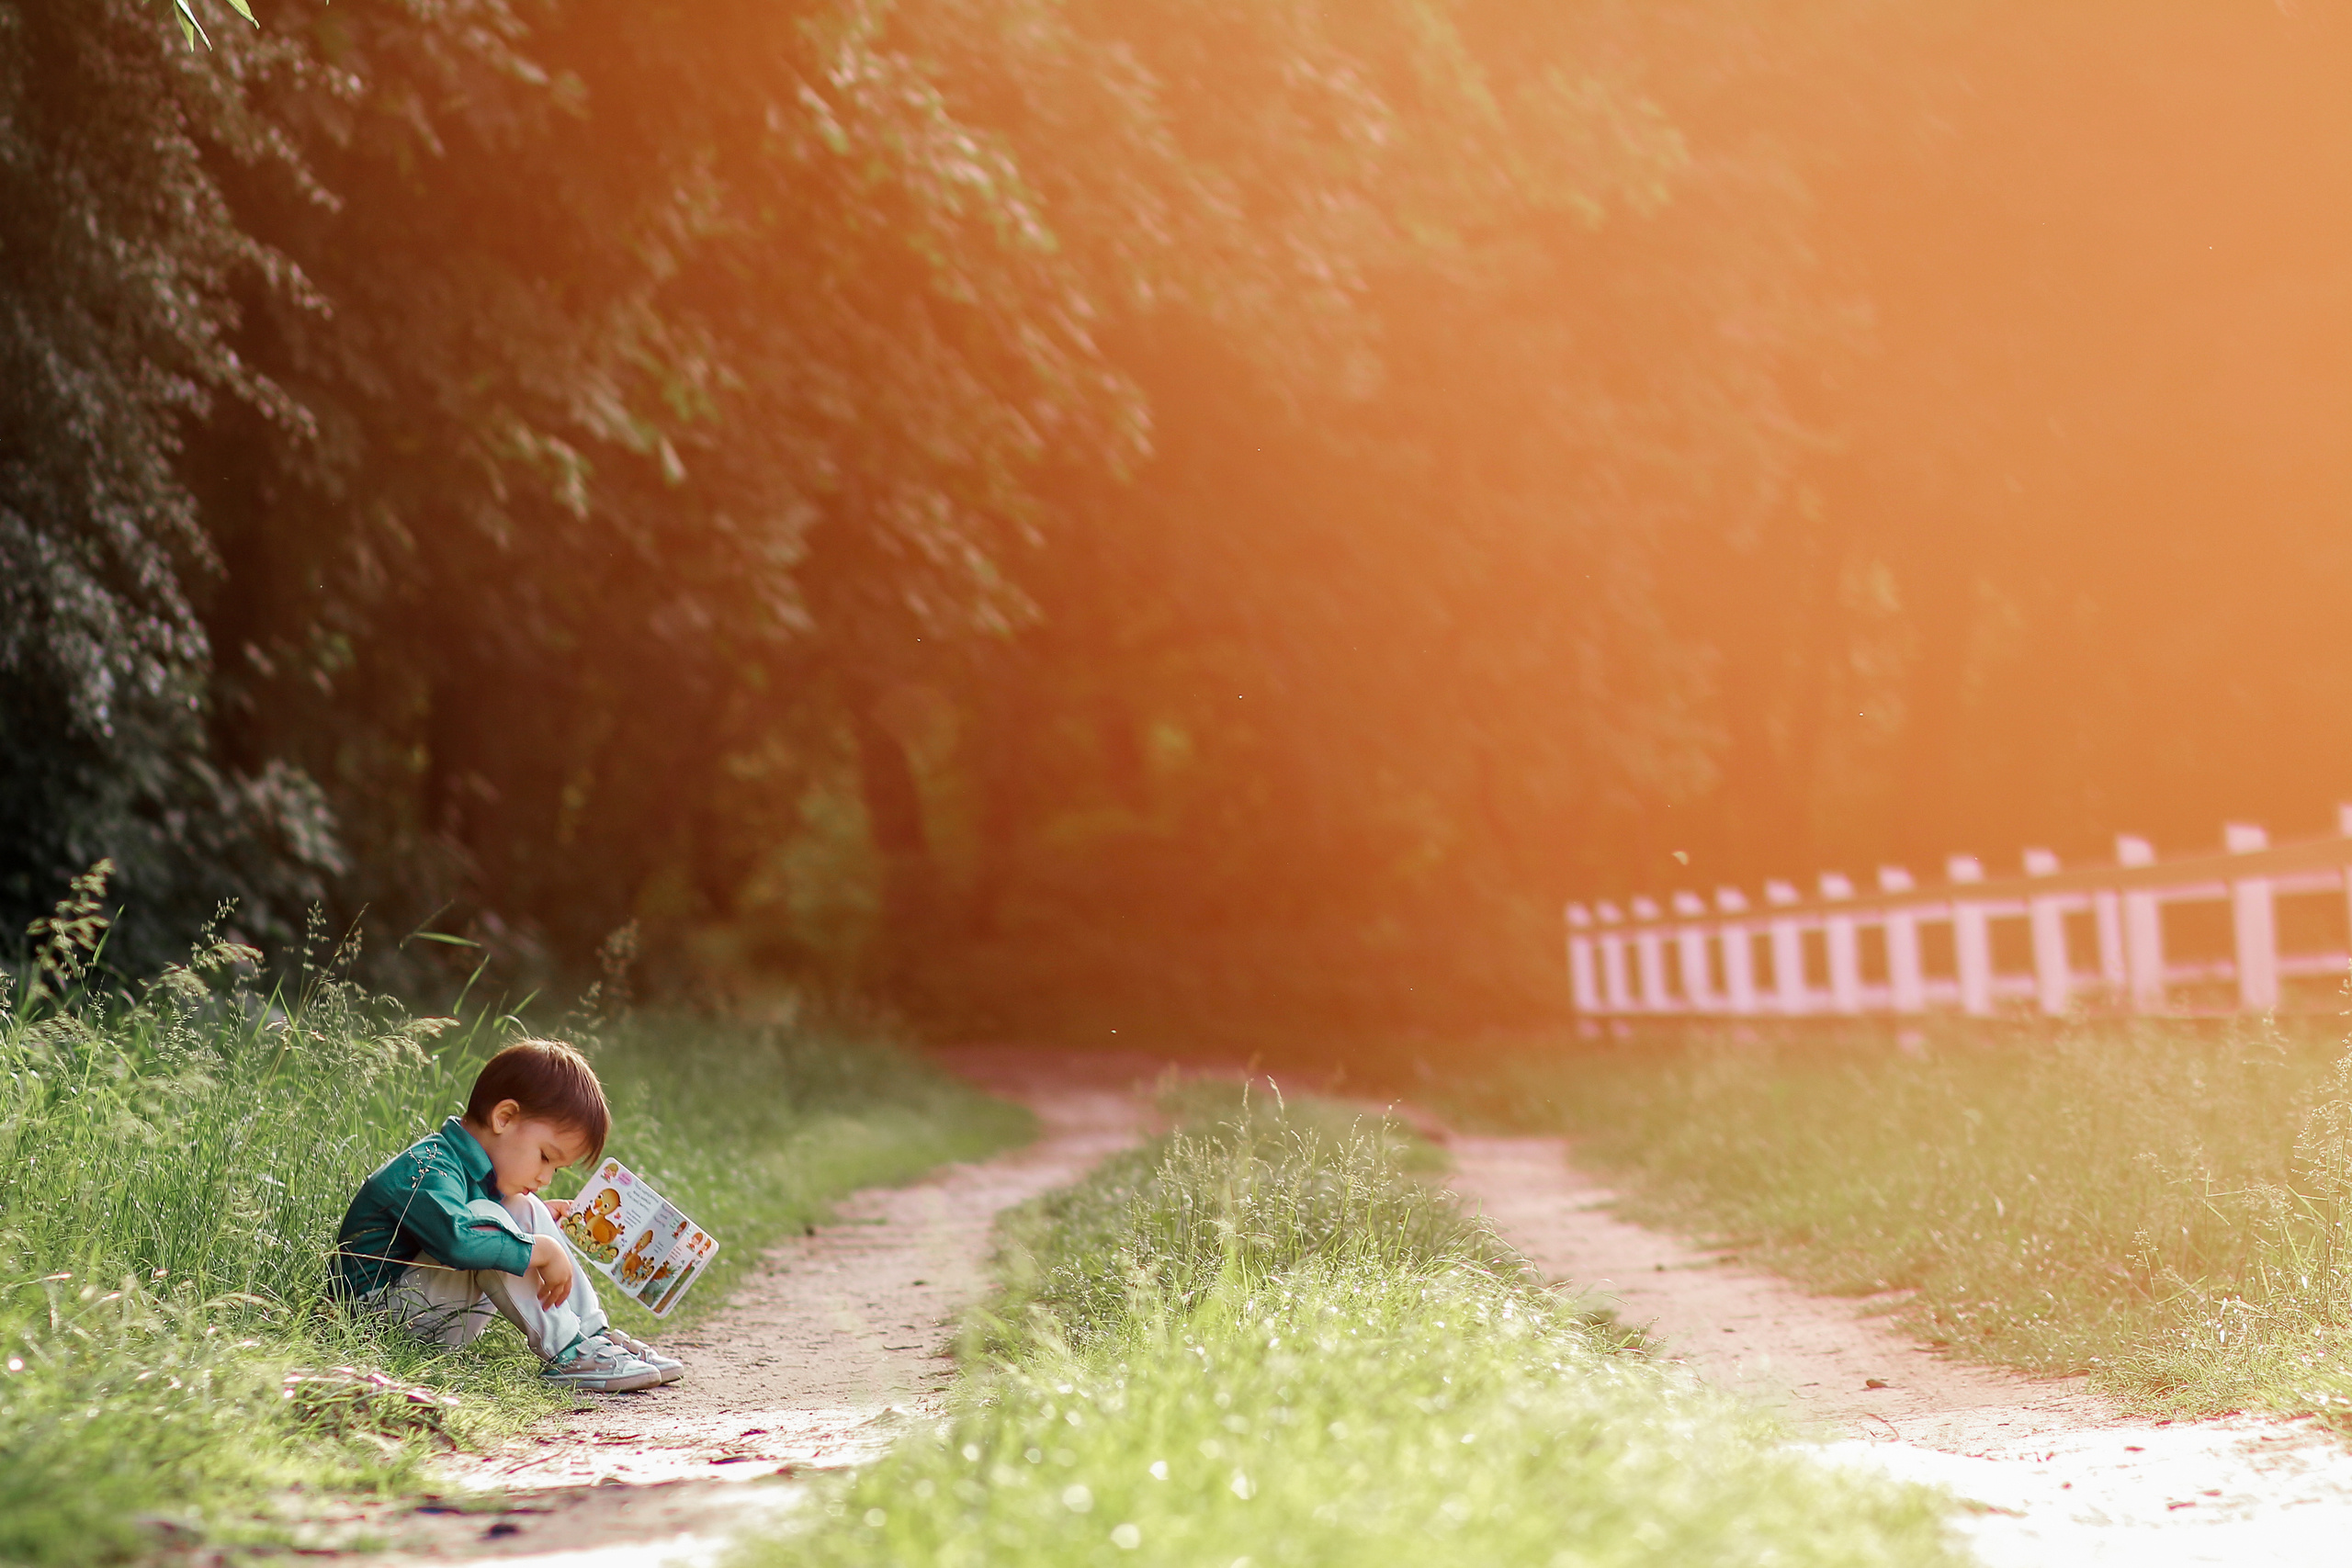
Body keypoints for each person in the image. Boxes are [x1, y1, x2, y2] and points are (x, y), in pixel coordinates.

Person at [333, 1037, 684, 1393]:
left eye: (556, 1170)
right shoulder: (428, 1167)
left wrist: (538, 1222)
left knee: (521, 1209)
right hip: (373, 1322)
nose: (545, 1178)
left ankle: (593, 1336)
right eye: (546, 1157)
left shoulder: (469, 1173)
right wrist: (541, 1249)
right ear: (504, 1118)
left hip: (421, 1311)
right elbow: (458, 1242)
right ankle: (568, 1351)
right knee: (493, 1223)